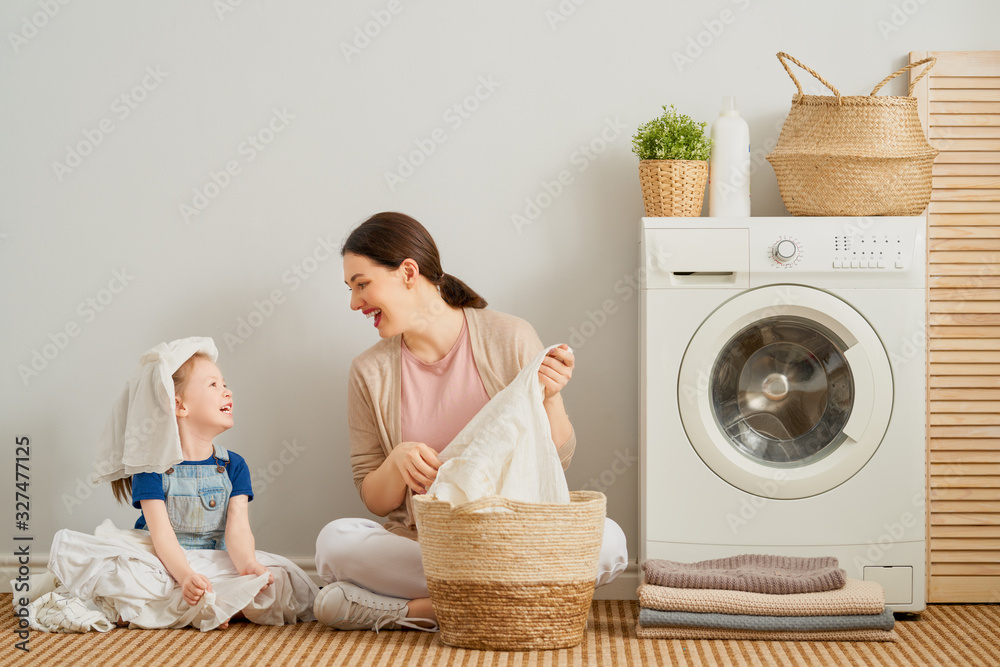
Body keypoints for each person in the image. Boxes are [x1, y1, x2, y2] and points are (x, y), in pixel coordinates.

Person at [313, 212, 628, 631]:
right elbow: (374, 498)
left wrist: (548, 398)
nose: (355, 302)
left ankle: (420, 611)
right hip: (429, 545)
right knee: (335, 543)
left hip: (515, 537)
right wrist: (397, 462)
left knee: (611, 542)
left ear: (408, 272)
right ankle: (515, 602)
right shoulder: (369, 372)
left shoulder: (509, 336)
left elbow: (559, 459)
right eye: (352, 289)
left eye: (362, 284)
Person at [36, 338, 317, 632]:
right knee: (125, 572)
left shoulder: (234, 466)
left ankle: (194, 606)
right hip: (162, 560)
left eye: (224, 383)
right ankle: (205, 605)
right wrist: (184, 576)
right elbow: (163, 537)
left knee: (279, 577)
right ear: (179, 405)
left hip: (214, 557)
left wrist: (247, 565)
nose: (227, 391)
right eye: (213, 385)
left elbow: (238, 529)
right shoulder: (151, 469)